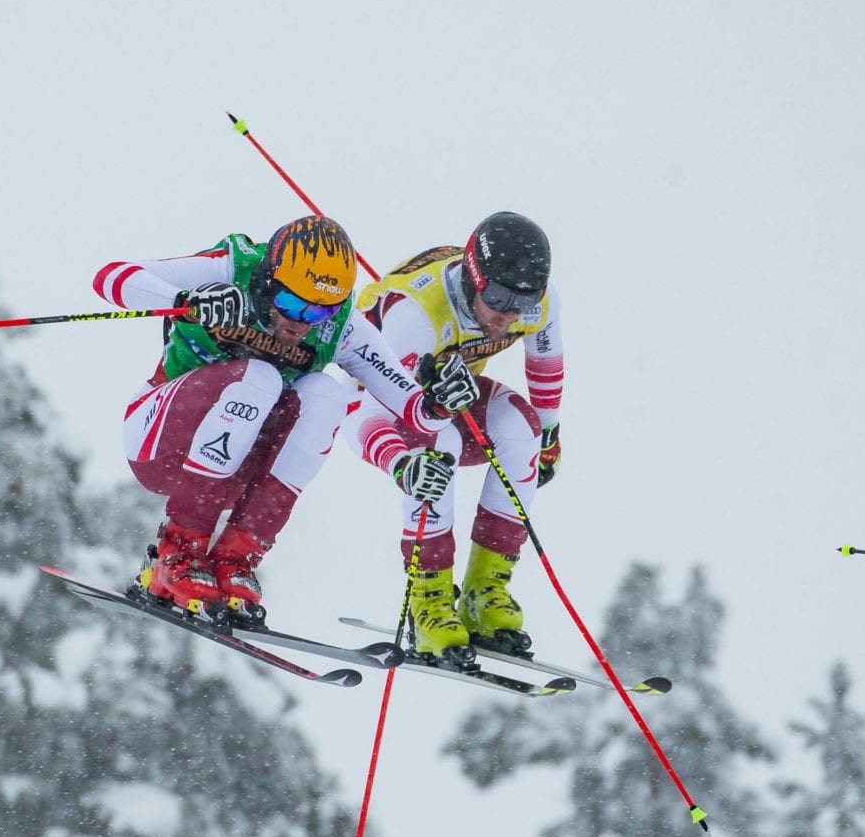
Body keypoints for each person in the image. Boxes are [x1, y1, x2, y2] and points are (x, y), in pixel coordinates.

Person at [91, 216, 470, 627]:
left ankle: (235, 559)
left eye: (320, 311)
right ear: (268, 280)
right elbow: (110, 278)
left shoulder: (339, 326)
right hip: (160, 444)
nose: (301, 322)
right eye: (292, 304)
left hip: (230, 474)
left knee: (326, 394)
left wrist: (439, 403)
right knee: (260, 377)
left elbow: (414, 410)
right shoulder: (233, 268)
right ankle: (178, 553)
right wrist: (188, 300)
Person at [349, 212, 561, 667]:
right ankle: (428, 600)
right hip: (373, 401)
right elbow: (368, 413)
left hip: (447, 396)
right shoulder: (416, 316)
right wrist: (399, 464)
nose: (508, 314)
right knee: (438, 443)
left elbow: (546, 362)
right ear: (473, 279)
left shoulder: (534, 305)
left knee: (523, 429)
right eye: (497, 297)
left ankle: (485, 592)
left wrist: (550, 434)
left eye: (523, 301)